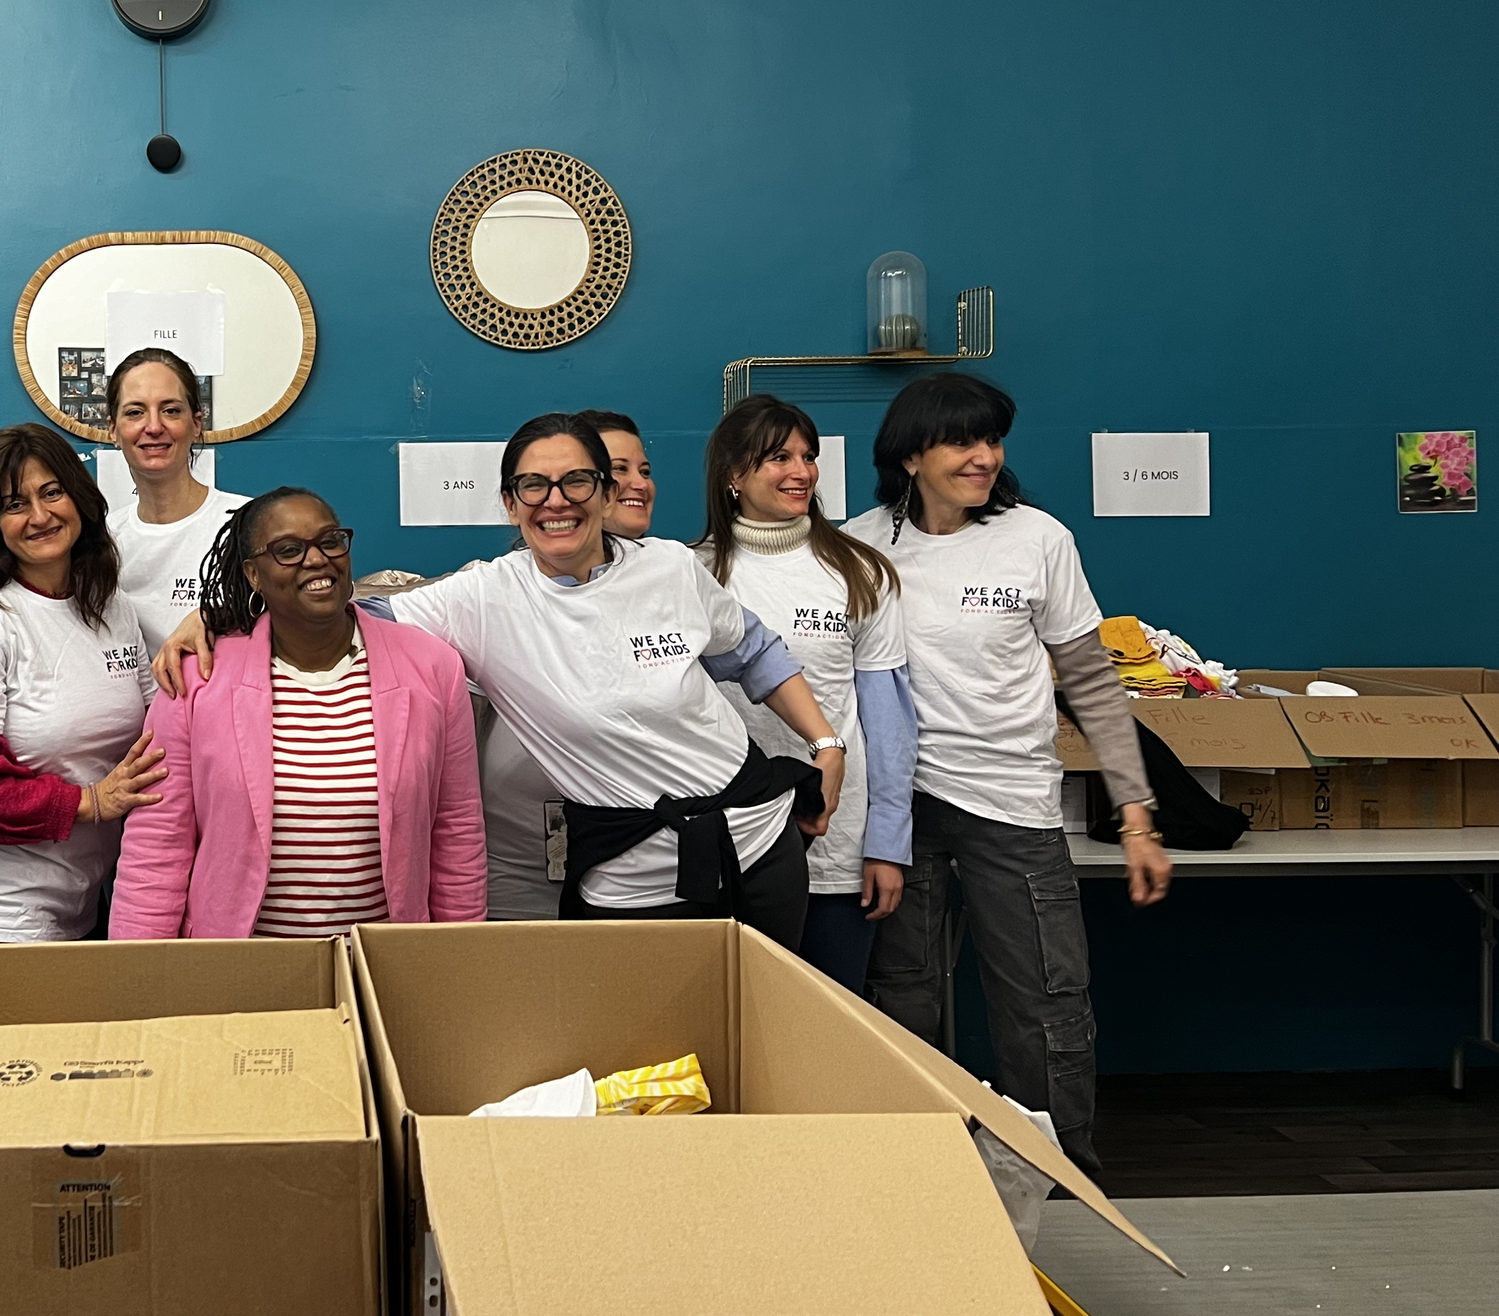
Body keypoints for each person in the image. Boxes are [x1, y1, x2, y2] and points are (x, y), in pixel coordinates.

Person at [159, 413, 848, 952]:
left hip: (761, 842)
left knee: (764, 1047)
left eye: (578, 481)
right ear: (510, 503)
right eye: (534, 486)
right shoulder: (481, 598)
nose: (557, 501)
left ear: (606, 493)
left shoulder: (670, 566)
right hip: (625, 874)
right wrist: (219, 611)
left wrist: (825, 741)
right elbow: (340, 604)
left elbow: (753, 651)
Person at [845, 372, 1172, 1175]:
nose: (984, 456)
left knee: (1046, 1002)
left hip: (1015, 805)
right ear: (912, 453)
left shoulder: (1038, 539)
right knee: (900, 998)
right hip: (899, 812)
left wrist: (1136, 811)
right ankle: (912, 1165)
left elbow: (1090, 679)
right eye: (963, 440)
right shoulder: (860, 544)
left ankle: (1060, 1173)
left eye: (993, 439)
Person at [110, 488, 486, 939]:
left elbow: (457, 830)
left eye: (330, 541)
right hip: (237, 972)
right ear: (253, 573)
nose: (317, 560)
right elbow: (157, 849)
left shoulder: (432, 667)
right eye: (288, 550)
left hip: (384, 970)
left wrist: (456, 959)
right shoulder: (194, 680)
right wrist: (139, 982)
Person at [0, 425, 166, 946]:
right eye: (14, 504)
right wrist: (91, 801)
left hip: (86, 905)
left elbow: (156, 731)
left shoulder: (110, 607)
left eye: (52, 492)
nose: (40, 516)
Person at [697, 396, 915, 992]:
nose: (801, 471)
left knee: (828, 1022)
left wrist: (888, 842)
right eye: (778, 457)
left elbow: (887, 719)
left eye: (808, 456)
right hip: (725, 837)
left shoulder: (859, 570)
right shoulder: (693, 573)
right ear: (734, 475)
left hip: (834, 840)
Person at [475, 407, 656, 920]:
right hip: (520, 867)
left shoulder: (675, 578)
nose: (634, 484)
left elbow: (756, 657)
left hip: (638, 869)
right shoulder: (492, 595)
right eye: (618, 469)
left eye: (644, 469)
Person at [101, 348, 248, 650]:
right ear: (113, 431)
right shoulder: (100, 542)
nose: (154, 427)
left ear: (196, 424)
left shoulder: (248, 523)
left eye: (171, 410)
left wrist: (215, 615)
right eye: (135, 412)